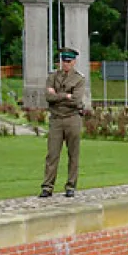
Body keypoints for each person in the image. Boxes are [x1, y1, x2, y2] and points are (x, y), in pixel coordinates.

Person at [40, 49, 87, 198]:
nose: (65, 64)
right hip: (56, 119)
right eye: (63, 61)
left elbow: (76, 100)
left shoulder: (79, 79)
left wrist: (58, 96)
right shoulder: (53, 76)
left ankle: (71, 186)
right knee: (52, 154)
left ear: (74, 62)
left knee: (73, 154)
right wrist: (66, 95)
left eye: (68, 61)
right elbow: (48, 97)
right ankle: (47, 187)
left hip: (72, 119)